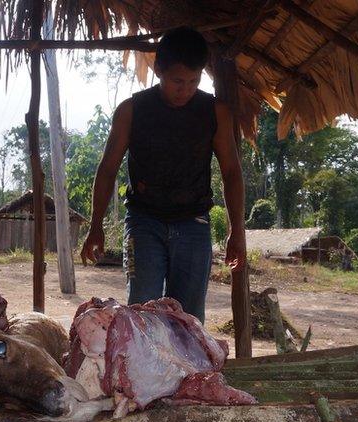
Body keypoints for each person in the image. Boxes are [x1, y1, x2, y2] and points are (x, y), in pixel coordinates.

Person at [79, 27, 247, 323]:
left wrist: (237, 230)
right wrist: (96, 225)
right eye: (177, 81)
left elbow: (232, 172)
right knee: (141, 315)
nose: (185, 90)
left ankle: (190, 371)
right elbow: (107, 170)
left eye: (194, 81)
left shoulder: (215, 112)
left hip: (194, 224)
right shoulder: (132, 111)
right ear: (158, 70)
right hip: (144, 223)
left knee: (190, 319)